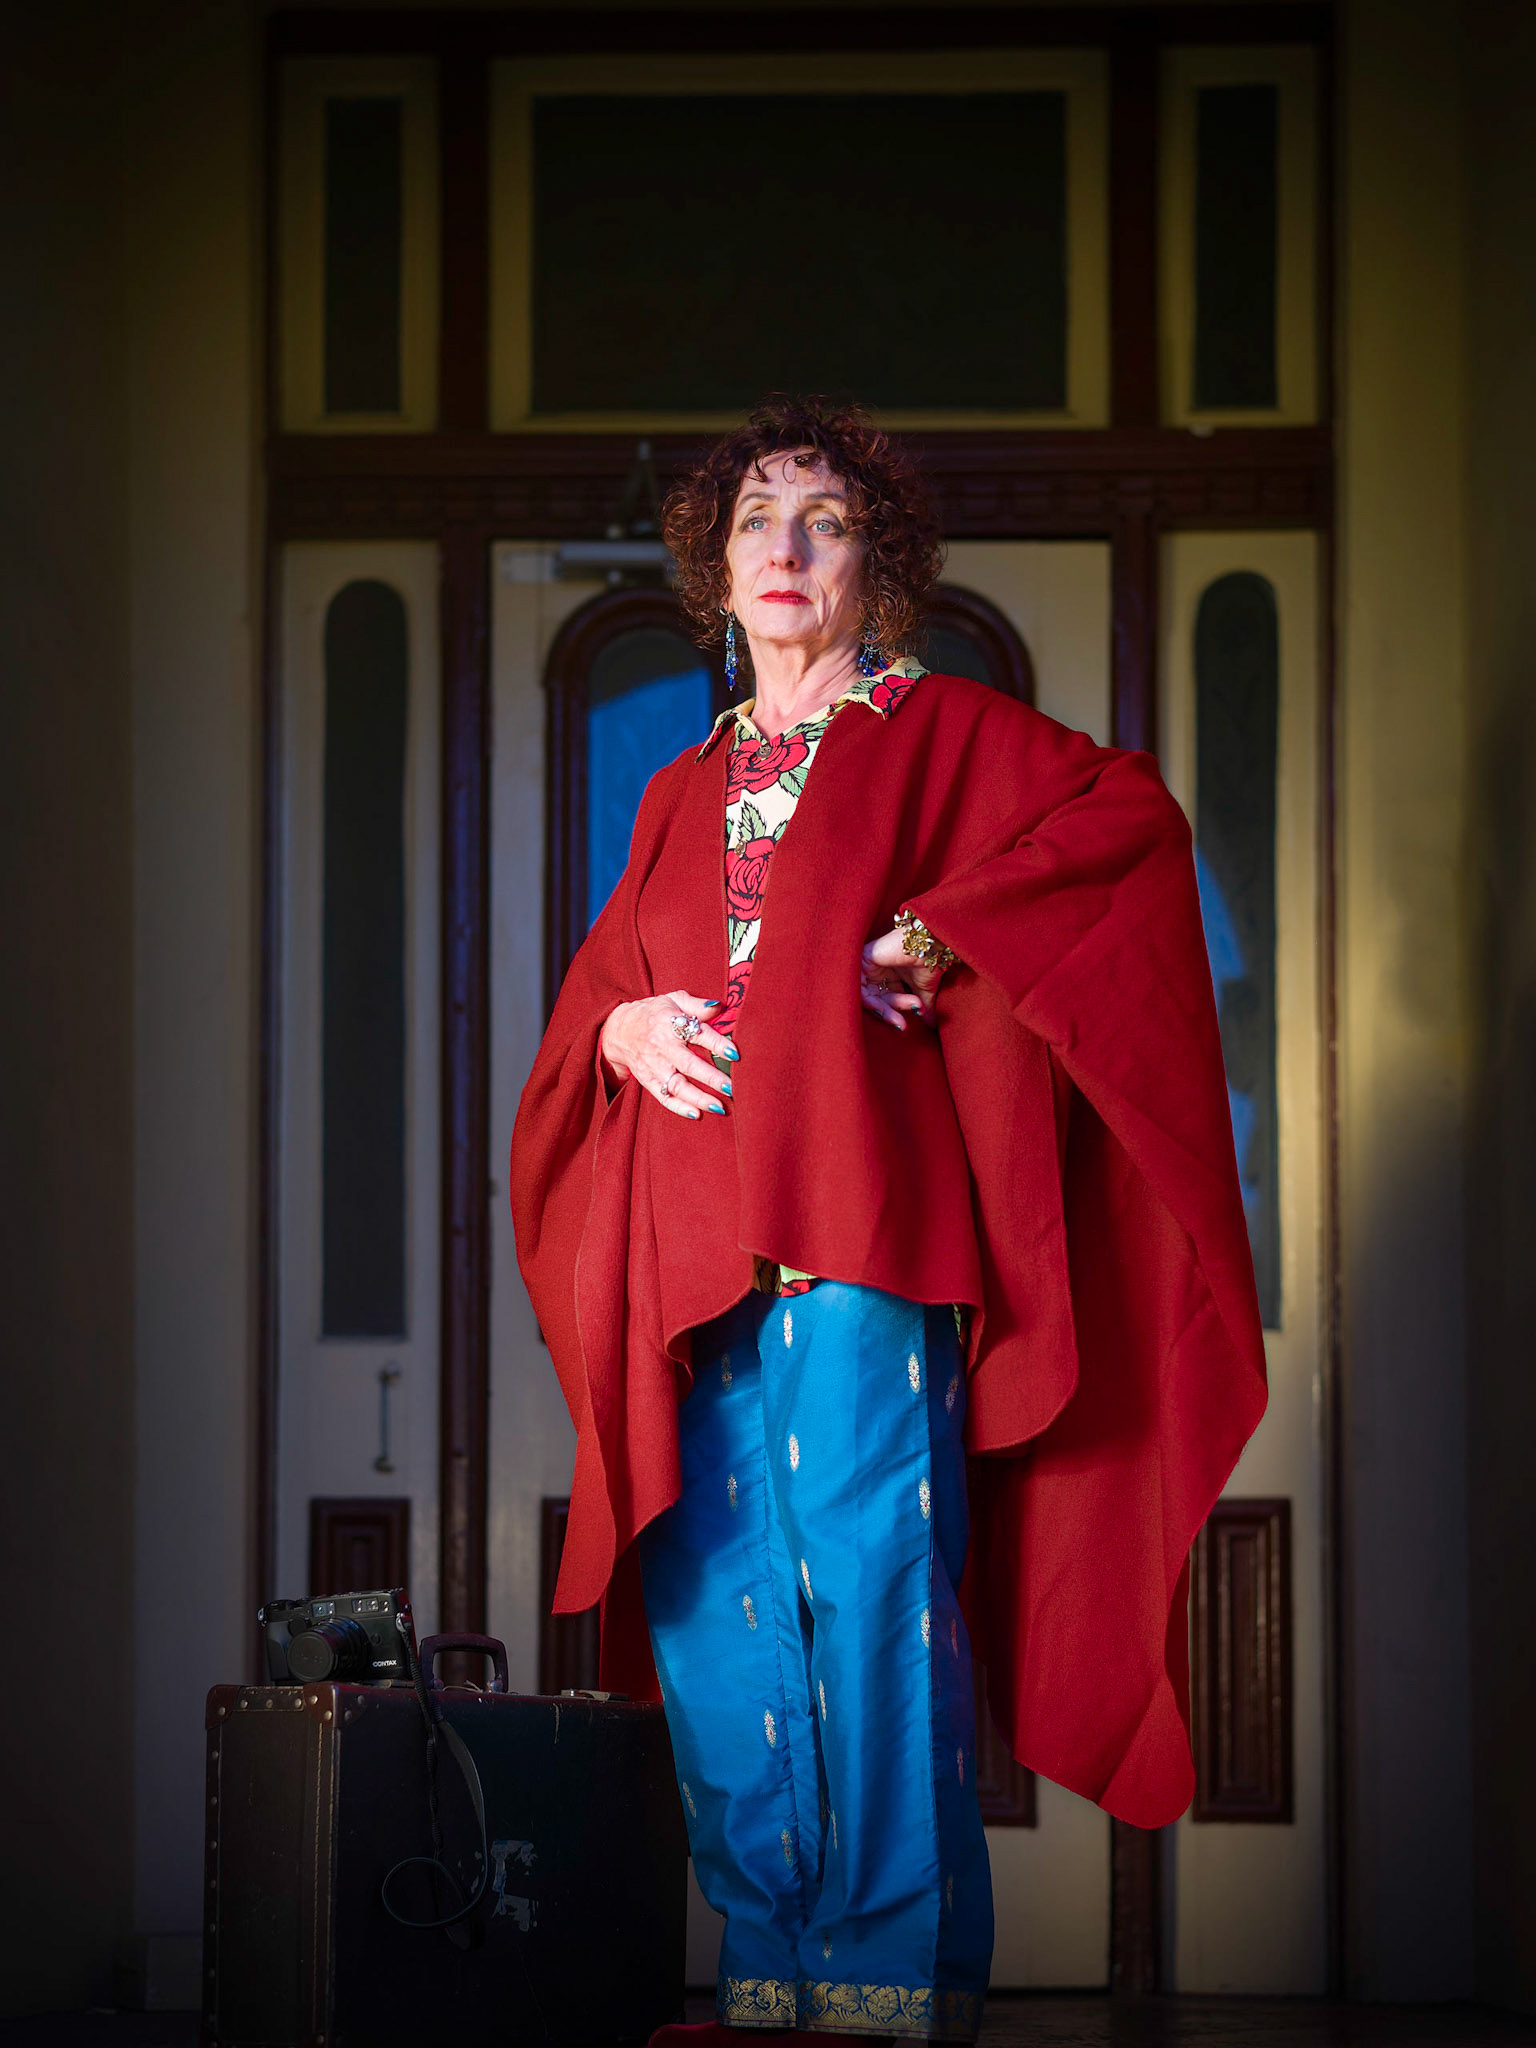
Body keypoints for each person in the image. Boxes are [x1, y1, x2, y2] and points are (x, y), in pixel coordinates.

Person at [511, 396, 1267, 2045]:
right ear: (714, 568)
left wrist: (935, 930)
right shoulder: (680, 783)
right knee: (717, 1613)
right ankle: (774, 1970)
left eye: (828, 521)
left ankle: (885, 1992)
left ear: (878, 568)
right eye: (757, 520)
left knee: (869, 1606)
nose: (786, 548)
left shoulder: (946, 732)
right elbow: (606, 1002)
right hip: (694, 1260)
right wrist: (620, 1033)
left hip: (862, 1242)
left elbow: (1126, 823)